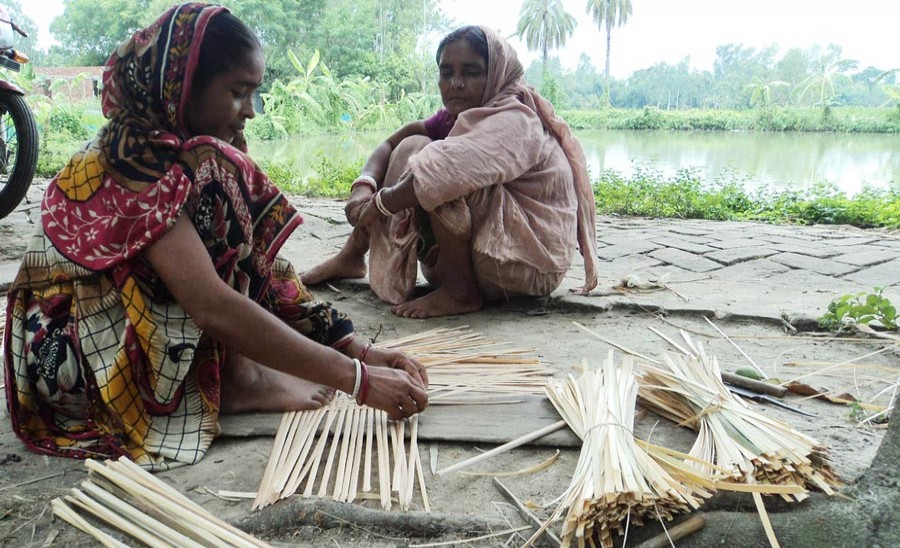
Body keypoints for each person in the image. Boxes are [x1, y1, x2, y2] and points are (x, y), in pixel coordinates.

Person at [3, 3, 428, 471]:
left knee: (225, 183)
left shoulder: (185, 152)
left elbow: (263, 272)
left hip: (121, 321)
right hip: (76, 357)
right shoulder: (135, 163)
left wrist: (356, 347)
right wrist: (360, 380)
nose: (249, 110)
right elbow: (211, 304)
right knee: (216, 183)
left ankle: (240, 370)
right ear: (182, 86)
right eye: (238, 92)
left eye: (253, 94)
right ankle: (240, 377)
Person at [302, 25, 600, 319]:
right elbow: (391, 144)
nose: (456, 83)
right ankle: (352, 256)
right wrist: (363, 188)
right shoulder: (459, 116)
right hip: (490, 255)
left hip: (526, 265)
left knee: (439, 170)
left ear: (496, 73)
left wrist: (378, 205)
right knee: (412, 147)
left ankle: (460, 291)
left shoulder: (516, 118)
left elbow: (442, 172)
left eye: (471, 72)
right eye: (447, 73)